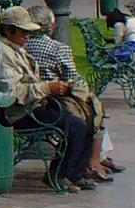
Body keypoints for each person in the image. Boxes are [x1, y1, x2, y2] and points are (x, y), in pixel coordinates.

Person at [0, 6, 96, 191]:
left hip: (32, 105)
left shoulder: (13, 48)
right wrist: (47, 88)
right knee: (76, 125)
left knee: (87, 112)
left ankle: (75, 172)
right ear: (8, 29)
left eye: (29, 31)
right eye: (23, 31)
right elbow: (12, 93)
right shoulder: (3, 53)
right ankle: (60, 174)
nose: (27, 36)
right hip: (19, 113)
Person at [24, 23, 120, 182]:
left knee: (87, 110)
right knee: (90, 112)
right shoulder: (57, 48)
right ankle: (88, 163)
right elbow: (73, 79)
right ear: (52, 27)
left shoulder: (22, 49)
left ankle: (94, 160)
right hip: (47, 102)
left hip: (40, 101)